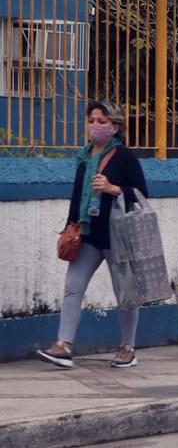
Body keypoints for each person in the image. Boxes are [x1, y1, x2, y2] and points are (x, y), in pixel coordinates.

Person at [37, 101, 148, 369]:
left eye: (103, 121)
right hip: (87, 234)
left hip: (118, 236)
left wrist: (113, 188)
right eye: (92, 120)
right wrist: (70, 227)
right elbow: (78, 196)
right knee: (73, 288)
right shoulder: (84, 157)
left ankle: (127, 348)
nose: (95, 126)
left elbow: (142, 194)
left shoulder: (124, 156)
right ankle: (64, 345)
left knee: (125, 294)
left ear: (116, 127)